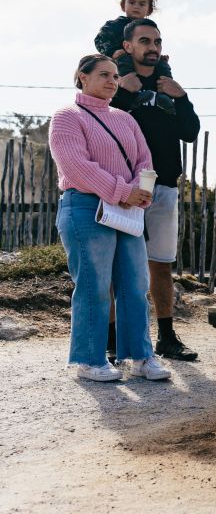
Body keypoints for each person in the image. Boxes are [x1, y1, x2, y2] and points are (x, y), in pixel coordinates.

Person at [49, 54, 171, 382]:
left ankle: (141, 357)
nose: (112, 81)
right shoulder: (66, 117)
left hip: (127, 210)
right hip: (86, 208)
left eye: (115, 76)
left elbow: (144, 160)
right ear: (82, 77)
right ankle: (89, 361)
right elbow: (76, 165)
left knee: (135, 285)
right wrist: (123, 190)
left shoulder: (125, 118)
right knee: (94, 286)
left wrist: (139, 190)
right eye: (104, 74)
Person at [111, 18, 202, 361]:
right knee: (118, 264)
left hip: (163, 184)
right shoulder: (117, 82)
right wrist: (125, 91)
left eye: (158, 42)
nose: (153, 47)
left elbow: (190, 132)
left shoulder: (169, 85)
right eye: (145, 40)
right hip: (124, 187)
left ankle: (166, 336)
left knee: (161, 264)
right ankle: (113, 339)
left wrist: (182, 97)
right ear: (129, 46)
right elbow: (103, 122)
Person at [94, 0, 173, 80]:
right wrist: (113, 51)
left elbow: (152, 44)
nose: (136, 6)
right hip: (122, 59)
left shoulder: (150, 27)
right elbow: (100, 39)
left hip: (144, 60)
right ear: (123, 6)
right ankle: (129, 85)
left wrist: (158, 56)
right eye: (132, 2)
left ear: (149, 10)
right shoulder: (114, 24)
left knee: (162, 64)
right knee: (124, 59)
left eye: (142, 4)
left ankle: (166, 87)